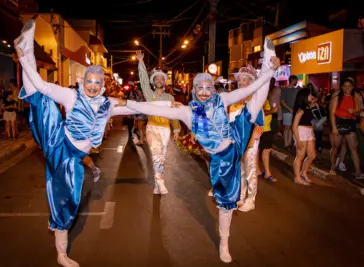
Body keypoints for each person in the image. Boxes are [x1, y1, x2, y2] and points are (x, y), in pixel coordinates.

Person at [15, 20, 171, 267]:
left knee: (65, 200)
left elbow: (140, 106)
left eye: (97, 83)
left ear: (102, 85)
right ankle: (62, 254)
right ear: (83, 80)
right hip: (60, 146)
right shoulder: (71, 95)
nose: (92, 86)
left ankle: (57, 230)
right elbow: (42, 85)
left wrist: (175, 107)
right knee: (39, 98)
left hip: (75, 156)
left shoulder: (108, 104)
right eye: (89, 81)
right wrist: (24, 59)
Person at [118, 38, 280, 263]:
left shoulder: (223, 99)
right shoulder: (187, 113)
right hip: (221, 160)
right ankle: (225, 241)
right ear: (194, 90)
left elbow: (251, 89)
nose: (204, 92)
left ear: (213, 90)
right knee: (225, 204)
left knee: (251, 109)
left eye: (208, 88)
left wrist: (268, 71)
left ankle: (267, 64)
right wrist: (132, 105)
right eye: (200, 88)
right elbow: (154, 107)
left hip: (236, 138)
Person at [136, 50, 181, 195]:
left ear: (165, 81)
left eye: (162, 79)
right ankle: (161, 183)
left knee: (161, 157)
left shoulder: (170, 97)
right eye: (157, 79)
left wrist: (176, 130)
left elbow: (175, 115)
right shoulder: (150, 95)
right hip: (152, 128)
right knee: (155, 153)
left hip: (165, 130)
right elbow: (143, 81)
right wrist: (141, 63)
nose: (159, 81)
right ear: (154, 82)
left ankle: (157, 184)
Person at [228, 65, 265, 212]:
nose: (242, 83)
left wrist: (249, 144)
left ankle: (251, 199)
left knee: (250, 170)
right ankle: (241, 197)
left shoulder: (254, 102)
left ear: (251, 82)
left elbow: (259, 126)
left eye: (246, 80)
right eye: (240, 80)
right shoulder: (234, 100)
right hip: (236, 143)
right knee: (240, 171)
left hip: (249, 142)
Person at [329, 78, 363, 179]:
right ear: (342, 87)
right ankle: (332, 167)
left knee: (354, 148)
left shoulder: (355, 97)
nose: (347, 88)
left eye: (349, 86)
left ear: (352, 87)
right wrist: (334, 127)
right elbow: (332, 114)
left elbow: (358, 112)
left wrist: (354, 111)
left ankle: (358, 172)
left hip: (350, 123)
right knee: (335, 147)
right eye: (345, 86)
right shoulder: (336, 97)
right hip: (339, 122)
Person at [292, 89, 315, 185]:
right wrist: (298, 140)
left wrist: (312, 133)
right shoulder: (300, 109)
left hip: (309, 132)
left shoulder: (307, 107)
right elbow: (294, 126)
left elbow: (309, 122)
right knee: (300, 156)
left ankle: (303, 173)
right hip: (301, 132)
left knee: (312, 155)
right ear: (305, 96)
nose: (311, 96)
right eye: (310, 94)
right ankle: (297, 178)